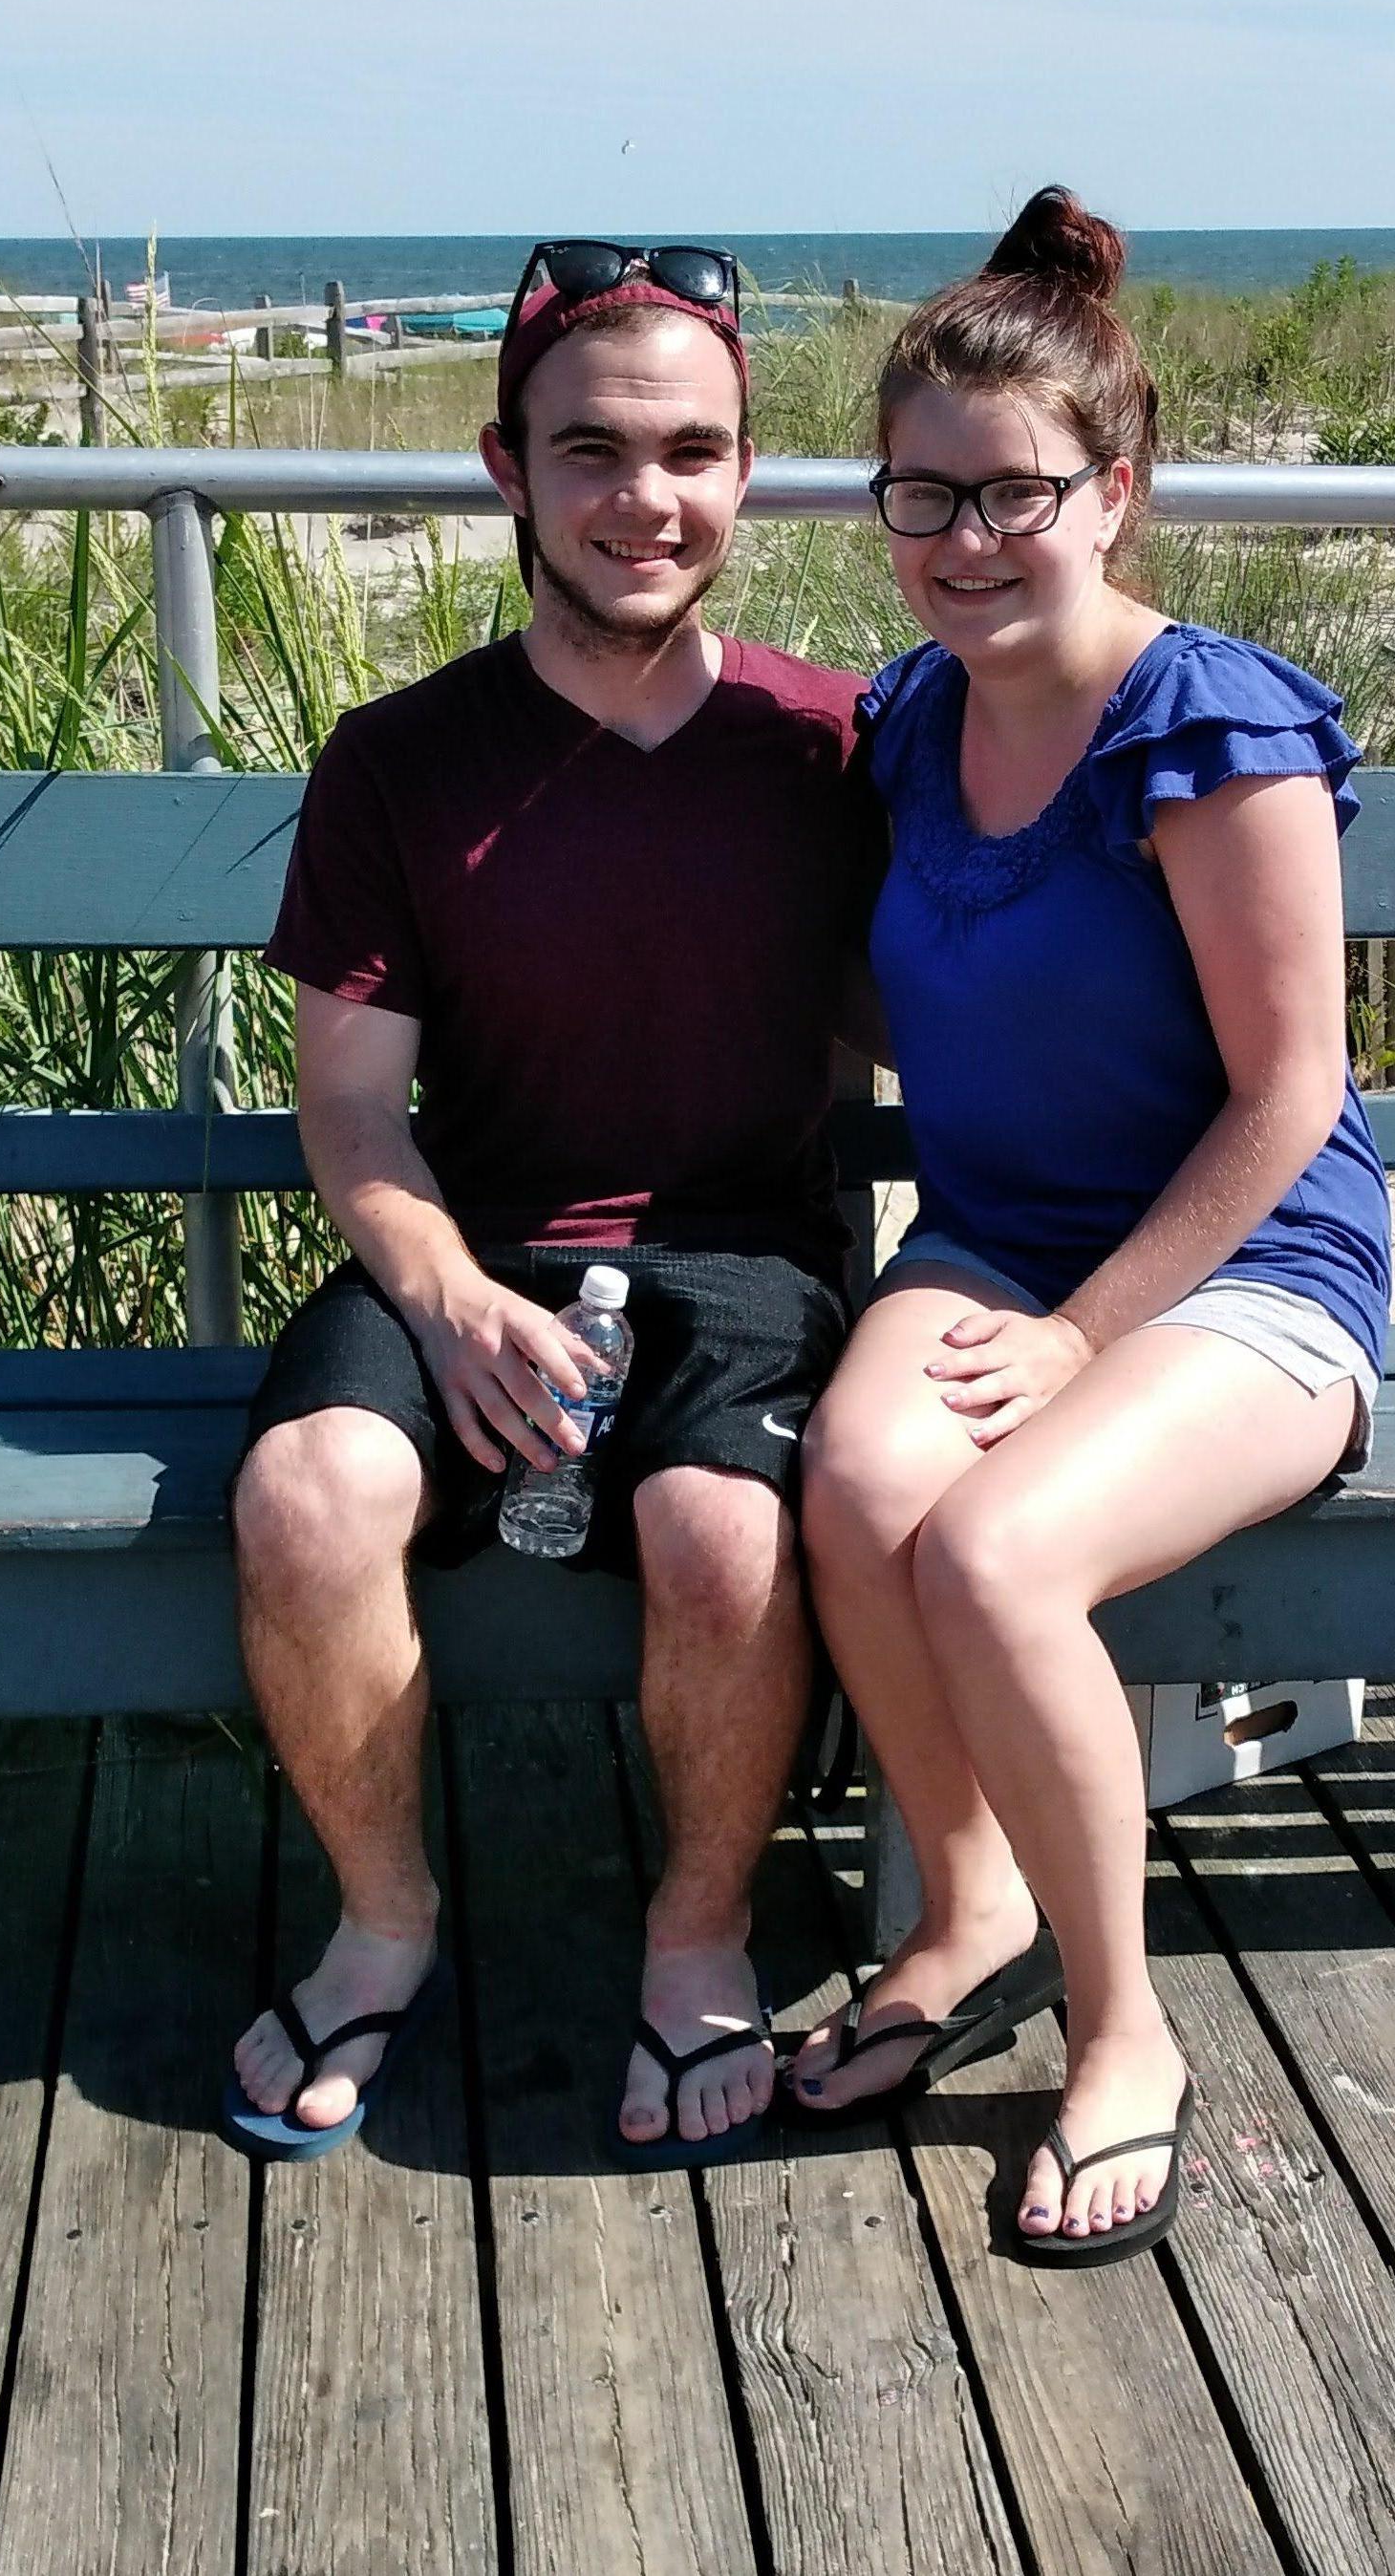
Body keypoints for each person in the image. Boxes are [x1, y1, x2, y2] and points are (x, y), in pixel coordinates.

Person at [223, 240, 880, 2161]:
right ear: (504, 463)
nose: (643, 497)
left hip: (742, 1255)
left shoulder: (832, 744)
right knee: (306, 1490)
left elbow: (976, 989)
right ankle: (383, 1920)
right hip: (476, 1240)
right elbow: (348, 1110)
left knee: (718, 1534)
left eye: (693, 451)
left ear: (747, 472)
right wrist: (442, 1299)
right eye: (590, 449)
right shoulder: (402, 760)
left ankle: (695, 1941)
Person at [783, 187, 1390, 2265]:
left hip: (1246, 1264)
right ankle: (970, 1902)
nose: (961, 537)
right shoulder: (910, 720)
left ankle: (1122, 2028)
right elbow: (907, 981)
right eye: (917, 494)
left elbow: (1284, 1091)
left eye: (1013, 493)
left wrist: (1082, 1339)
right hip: (999, 1231)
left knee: (994, 1540)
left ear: (1112, 489)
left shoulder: (1207, 723)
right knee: (858, 1480)